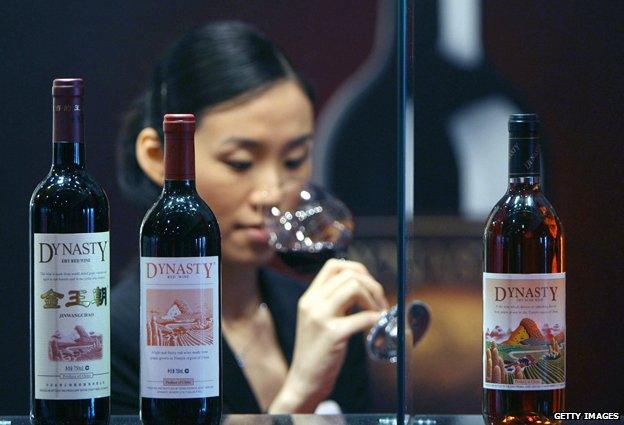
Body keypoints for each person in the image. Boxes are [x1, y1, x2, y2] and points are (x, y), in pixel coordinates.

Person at [113, 21, 388, 414]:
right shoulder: (116, 336)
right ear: (160, 158)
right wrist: (299, 397)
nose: (272, 191)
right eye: (240, 163)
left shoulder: (321, 318)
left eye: (294, 160)